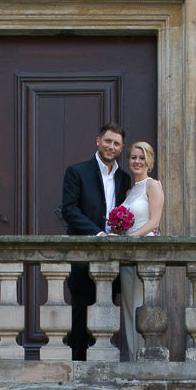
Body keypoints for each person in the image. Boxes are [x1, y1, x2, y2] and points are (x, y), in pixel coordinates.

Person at [60, 122, 132, 360]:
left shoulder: (124, 178)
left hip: (112, 257)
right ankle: (78, 366)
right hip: (83, 254)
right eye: (108, 141)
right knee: (80, 311)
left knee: (106, 311)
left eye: (116, 143)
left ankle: (102, 363)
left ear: (121, 147)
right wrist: (98, 234)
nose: (111, 146)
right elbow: (70, 210)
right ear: (98, 141)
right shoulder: (77, 172)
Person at [108, 141, 165, 356]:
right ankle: (133, 358)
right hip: (127, 255)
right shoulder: (130, 191)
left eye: (142, 157)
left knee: (141, 306)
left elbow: (154, 222)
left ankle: (144, 357)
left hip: (143, 251)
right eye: (133, 157)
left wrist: (129, 238)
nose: (137, 161)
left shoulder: (153, 185)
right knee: (128, 308)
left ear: (149, 160)